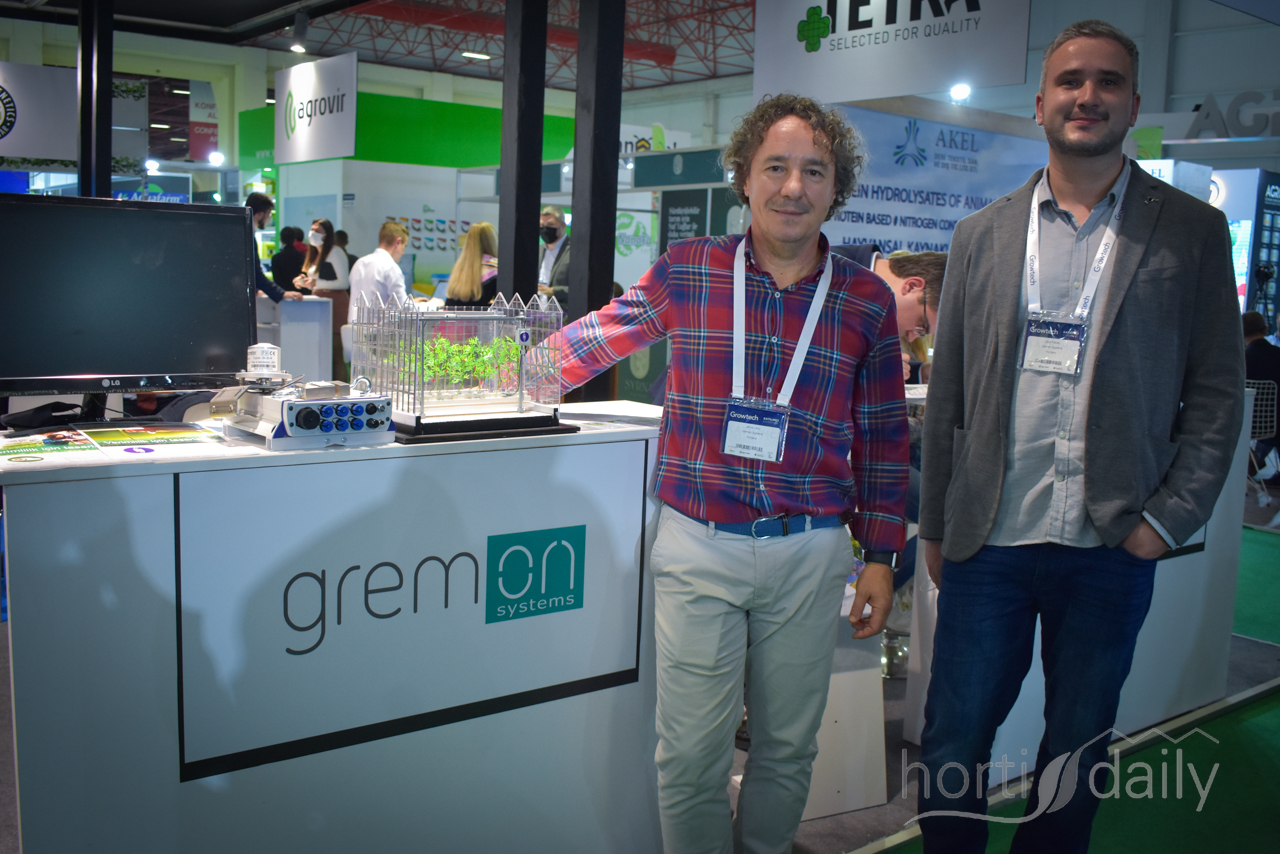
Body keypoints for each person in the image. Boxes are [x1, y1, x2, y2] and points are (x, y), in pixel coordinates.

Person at [917, 20, 1244, 853]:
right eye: (1070, 81)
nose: (1087, 96)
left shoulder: (1191, 233)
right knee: (953, 741)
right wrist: (935, 526)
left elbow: (1217, 393)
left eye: (1107, 82)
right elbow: (949, 394)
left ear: (1134, 104)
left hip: (1111, 542)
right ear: (1040, 104)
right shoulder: (981, 234)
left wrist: (1166, 520)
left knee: (1077, 747)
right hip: (989, 539)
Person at [551, 94, 908, 853]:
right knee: (689, 758)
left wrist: (881, 555)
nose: (792, 187)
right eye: (775, 167)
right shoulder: (691, 269)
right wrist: (487, 376)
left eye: (814, 171)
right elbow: (598, 337)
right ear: (743, 177)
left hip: (809, 549)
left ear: (835, 188)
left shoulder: (865, 300)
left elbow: (883, 436)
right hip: (698, 543)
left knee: (787, 750)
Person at [295, 218, 350, 381]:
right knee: (322, 353)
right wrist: (304, 281)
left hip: (335, 305)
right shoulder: (314, 254)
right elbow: (318, 279)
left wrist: (315, 283)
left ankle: (341, 388)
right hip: (319, 305)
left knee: (336, 353)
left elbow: (343, 282)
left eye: (317, 231)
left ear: (327, 234)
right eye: (312, 230)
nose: (312, 233)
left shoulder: (335, 252)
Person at [348, 222, 411, 323]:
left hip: (353, 330)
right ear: (398, 242)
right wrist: (431, 305)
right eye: (404, 246)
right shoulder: (390, 267)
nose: (403, 253)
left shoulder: (359, 263)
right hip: (378, 331)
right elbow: (405, 308)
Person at [245, 193, 302, 304]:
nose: (269, 218)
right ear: (261, 214)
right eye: (269, 214)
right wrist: (281, 293)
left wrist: (256, 290)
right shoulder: (248, 235)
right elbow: (255, 273)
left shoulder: (243, 231)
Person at [1244, 310, 1280, 473]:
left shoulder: (1243, 361)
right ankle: (1256, 459)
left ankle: (1252, 460)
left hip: (1249, 424)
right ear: (1265, 329)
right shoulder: (1277, 355)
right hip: (1275, 422)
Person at [445, 222, 499, 308]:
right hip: (480, 316)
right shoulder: (496, 268)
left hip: (452, 315)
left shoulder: (459, 268)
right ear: (493, 241)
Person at [537, 205, 571, 306]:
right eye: (542, 225)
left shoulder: (574, 251)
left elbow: (581, 287)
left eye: (550, 225)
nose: (545, 229)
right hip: (537, 310)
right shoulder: (538, 250)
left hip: (564, 311)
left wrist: (554, 291)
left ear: (563, 226)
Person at [271, 226, 308, 294]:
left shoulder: (276, 258)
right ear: (294, 239)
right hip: (301, 294)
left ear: (281, 239)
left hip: (283, 294)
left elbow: (277, 280)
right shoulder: (302, 256)